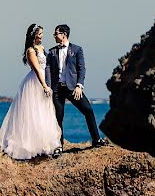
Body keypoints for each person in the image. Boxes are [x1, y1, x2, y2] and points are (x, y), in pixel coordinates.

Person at [0, 24, 62, 160]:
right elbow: (36, 69)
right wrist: (44, 86)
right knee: (33, 112)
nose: (42, 36)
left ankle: (45, 143)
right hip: (35, 82)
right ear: (34, 35)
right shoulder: (30, 51)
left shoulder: (42, 48)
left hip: (44, 80)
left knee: (44, 112)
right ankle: (30, 145)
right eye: (40, 33)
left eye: (42, 33)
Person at [45, 24, 108, 157]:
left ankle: (96, 140)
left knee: (88, 110)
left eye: (56, 33)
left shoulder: (77, 49)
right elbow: (48, 70)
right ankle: (58, 147)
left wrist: (79, 85)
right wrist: (49, 87)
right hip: (57, 89)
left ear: (64, 34)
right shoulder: (51, 52)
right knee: (58, 117)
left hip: (73, 88)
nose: (54, 36)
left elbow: (82, 69)